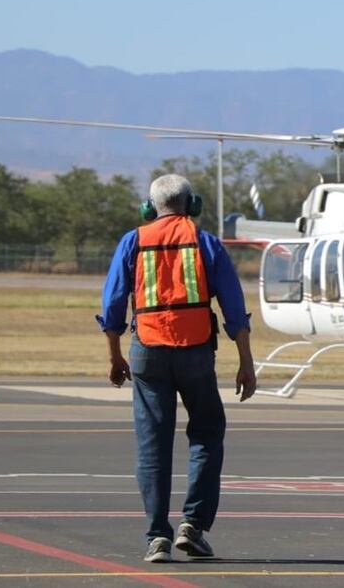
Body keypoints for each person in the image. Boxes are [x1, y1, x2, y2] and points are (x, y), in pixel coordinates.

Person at [96, 173, 257, 563]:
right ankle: (193, 525)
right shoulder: (205, 243)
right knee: (206, 434)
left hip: (147, 351)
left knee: (152, 445)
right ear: (193, 204)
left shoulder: (133, 241)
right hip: (196, 353)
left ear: (150, 208)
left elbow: (114, 302)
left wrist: (115, 355)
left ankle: (157, 538)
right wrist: (246, 362)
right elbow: (233, 308)